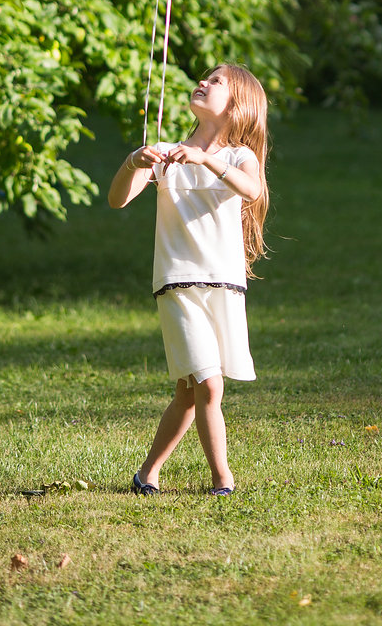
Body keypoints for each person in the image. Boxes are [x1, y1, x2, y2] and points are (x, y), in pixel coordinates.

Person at [107, 63, 269, 497]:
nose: (203, 82)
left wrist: (203, 158)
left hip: (224, 285)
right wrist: (132, 161)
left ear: (237, 106)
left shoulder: (238, 157)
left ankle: (147, 474)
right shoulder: (165, 154)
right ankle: (223, 481)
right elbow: (118, 199)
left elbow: (251, 190)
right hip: (178, 282)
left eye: (216, 81)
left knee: (188, 390)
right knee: (210, 384)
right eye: (205, 77)